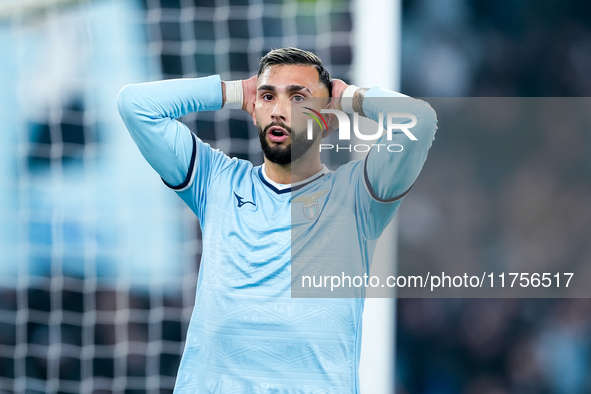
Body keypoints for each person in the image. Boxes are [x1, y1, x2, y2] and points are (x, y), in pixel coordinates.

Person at [117, 47, 437, 393]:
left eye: (299, 98)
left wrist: (348, 96)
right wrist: (235, 91)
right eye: (268, 96)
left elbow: (419, 120)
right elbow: (135, 106)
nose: (281, 110)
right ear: (254, 111)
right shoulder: (216, 180)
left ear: (327, 119)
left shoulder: (357, 195)